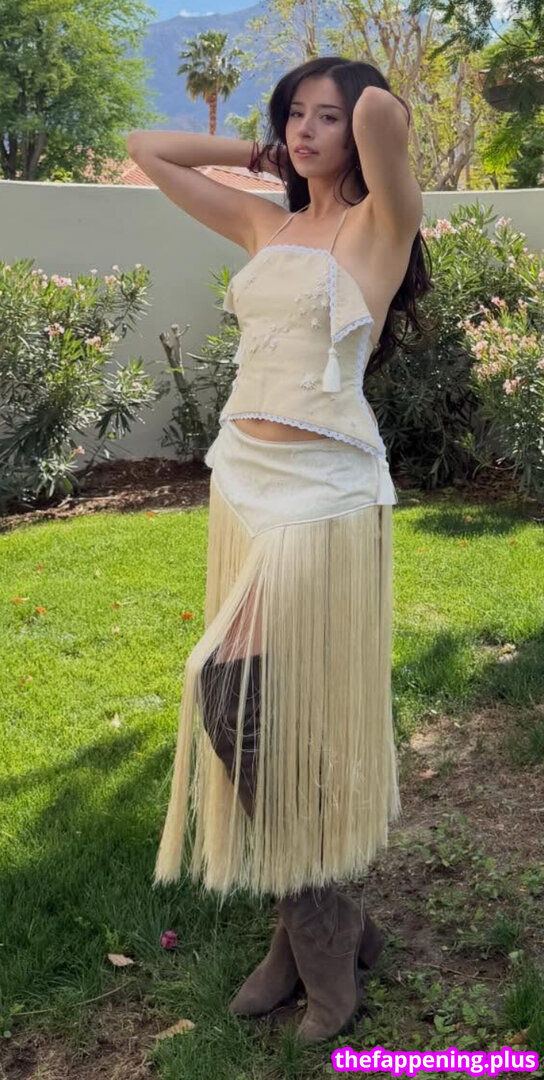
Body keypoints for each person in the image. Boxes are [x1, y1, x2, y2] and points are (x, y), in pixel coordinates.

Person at [127, 54, 432, 1046]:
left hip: (324, 491)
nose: (306, 130)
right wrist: (256, 151)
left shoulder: (381, 227)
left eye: (323, 117)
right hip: (245, 480)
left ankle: (321, 937)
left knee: (231, 695)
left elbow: (382, 111)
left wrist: (355, 109)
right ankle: (318, 926)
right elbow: (146, 147)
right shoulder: (265, 223)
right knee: (261, 706)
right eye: (294, 114)